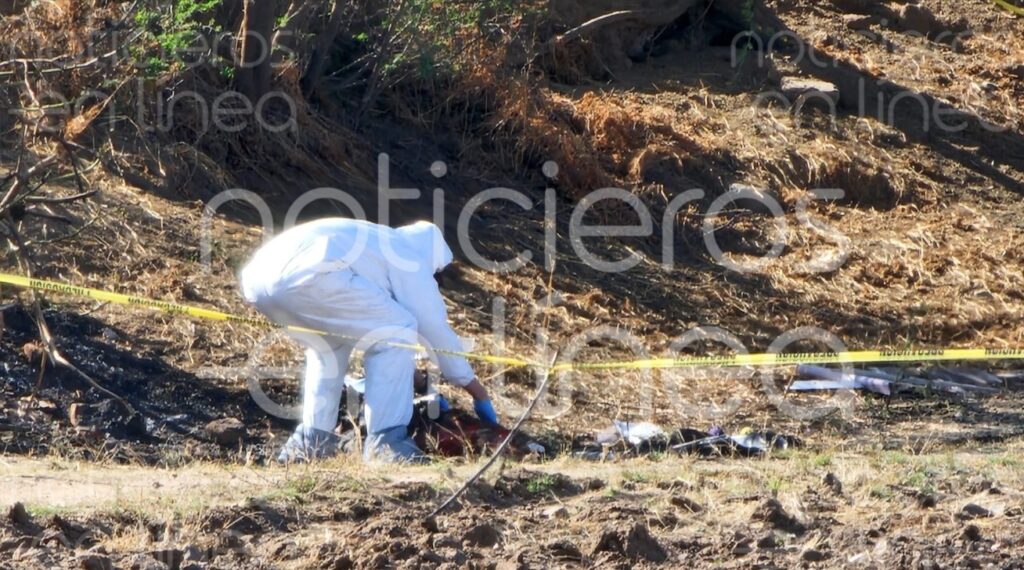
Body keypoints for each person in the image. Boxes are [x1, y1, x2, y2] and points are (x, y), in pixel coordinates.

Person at [238, 218, 498, 463]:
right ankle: (387, 446)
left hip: (259, 280)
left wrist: (416, 379)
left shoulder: (377, 244)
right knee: (397, 330)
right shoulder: (410, 258)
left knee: (328, 346)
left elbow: (364, 331)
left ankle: (311, 443)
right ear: (435, 263)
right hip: (311, 273)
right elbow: (435, 332)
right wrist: (476, 390)